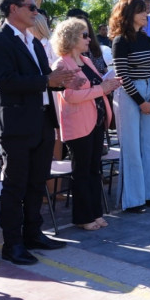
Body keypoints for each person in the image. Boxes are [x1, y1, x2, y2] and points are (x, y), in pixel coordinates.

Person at [0, 0, 80, 264]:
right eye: (31, 7)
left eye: (36, 8)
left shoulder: (34, 42)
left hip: (42, 121)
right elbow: (5, 82)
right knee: (15, 186)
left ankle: (34, 234)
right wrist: (47, 81)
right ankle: (12, 244)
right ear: (13, 9)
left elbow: (44, 78)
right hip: (16, 124)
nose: (36, 12)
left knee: (37, 183)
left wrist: (62, 79)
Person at [51, 18, 121, 230]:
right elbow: (71, 96)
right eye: (84, 35)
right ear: (71, 38)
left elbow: (95, 84)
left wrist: (108, 83)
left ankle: (95, 212)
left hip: (96, 120)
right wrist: (103, 89)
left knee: (94, 169)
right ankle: (83, 217)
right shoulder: (62, 64)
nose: (89, 38)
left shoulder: (86, 59)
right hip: (78, 124)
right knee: (81, 171)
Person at [110, 0, 150, 213]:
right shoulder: (120, 41)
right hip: (130, 95)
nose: (146, 15)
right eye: (141, 11)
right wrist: (141, 102)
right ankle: (134, 199)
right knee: (132, 148)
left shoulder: (148, 40)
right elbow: (122, 75)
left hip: (149, 91)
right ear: (129, 14)